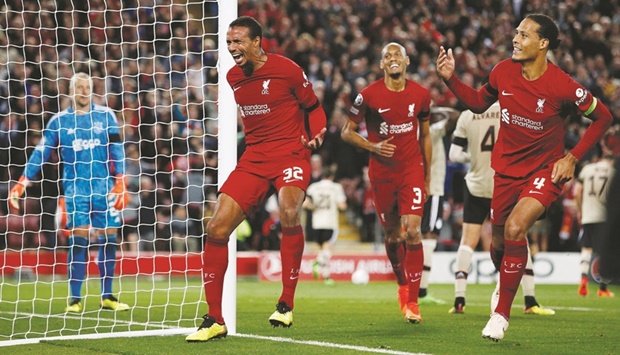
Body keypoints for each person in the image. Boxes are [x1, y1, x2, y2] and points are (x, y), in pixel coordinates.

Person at [437, 13, 613, 341]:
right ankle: (504, 284)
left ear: (543, 43)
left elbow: (603, 117)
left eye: (524, 35)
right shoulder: (503, 71)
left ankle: (500, 315)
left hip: (544, 172)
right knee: (500, 245)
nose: (515, 39)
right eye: (516, 33)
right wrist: (450, 78)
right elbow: (477, 102)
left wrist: (572, 157)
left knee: (518, 227)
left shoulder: (562, 85)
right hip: (504, 172)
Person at [185, 16, 327, 342]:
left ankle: (286, 302)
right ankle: (214, 320)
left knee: (289, 211)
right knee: (216, 228)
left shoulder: (287, 69)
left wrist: (316, 134)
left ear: (256, 41)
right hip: (254, 159)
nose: (232, 48)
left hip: (291, 153)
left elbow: (314, 107)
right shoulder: (233, 76)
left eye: (238, 42)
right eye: (229, 42)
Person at [9, 72, 130, 313]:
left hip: (104, 187)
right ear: (71, 91)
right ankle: (75, 299)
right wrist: (23, 181)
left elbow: (117, 149)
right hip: (76, 190)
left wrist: (121, 181)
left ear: (92, 89)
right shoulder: (59, 121)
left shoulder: (106, 116)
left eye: (87, 87)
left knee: (109, 237)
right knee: (79, 240)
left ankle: (107, 296)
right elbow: (40, 153)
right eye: (79, 87)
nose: (84, 91)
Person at [342, 42, 432, 324]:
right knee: (393, 237)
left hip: (411, 170)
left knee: (413, 232)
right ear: (381, 65)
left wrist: (426, 176)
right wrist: (373, 146)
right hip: (382, 175)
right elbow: (347, 132)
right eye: (387, 56)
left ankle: (414, 302)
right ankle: (402, 283)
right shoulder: (368, 95)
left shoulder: (421, 94)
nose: (393, 59)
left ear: (406, 61)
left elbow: (425, 136)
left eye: (397, 55)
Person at [448, 102, 555, 316]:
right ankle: (530, 300)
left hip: (476, 184)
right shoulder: (514, 110)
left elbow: (454, 155)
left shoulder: (468, 115)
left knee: (468, 241)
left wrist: (475, 158)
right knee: (518, 237)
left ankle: (459, 299)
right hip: (506, 182)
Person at [418, 106, 458, 305]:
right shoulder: (432, 131)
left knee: (420, 235)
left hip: (420, 190)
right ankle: (422, 290)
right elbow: (455, 116)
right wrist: (436, 109)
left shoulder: (414, 132)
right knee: (430, 235)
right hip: (433, 189)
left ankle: (416, 287)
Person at [574, 154, 615, 297]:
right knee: (607, 251)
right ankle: (603, 287)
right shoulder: (613, 171)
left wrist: (580, 211)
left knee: (586, 248)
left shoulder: (587, 169)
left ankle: (583, 278)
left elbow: (577, 192)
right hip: (605, 217)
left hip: (588, 215)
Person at [302, 168, 347, 285]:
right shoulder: (336, 187)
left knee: (323, 250)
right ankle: (317, 262)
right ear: (332, 177)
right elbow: (342, 205)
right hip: (330, 223)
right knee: (327, 250)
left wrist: (313, 208)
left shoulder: (313, 187)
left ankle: (326, 277)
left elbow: (306, 204)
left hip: (316, 223)